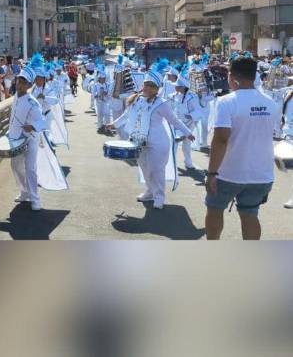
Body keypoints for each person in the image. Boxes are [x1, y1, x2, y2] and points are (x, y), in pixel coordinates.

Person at [204, 57, 279, 240]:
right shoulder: (271, 103)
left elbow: (221, 139)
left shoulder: (227, 101)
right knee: (250, 215)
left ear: (232, 77)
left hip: (229, 174)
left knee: (215, 209)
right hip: (261, 174)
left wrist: (212, 173)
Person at [112, 68, 194, 210]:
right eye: (146, 85)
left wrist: (187, 132)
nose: (148, 88)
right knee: (145, 168)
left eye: (152, 86)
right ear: (143, 85)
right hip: (139, 140)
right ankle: (150, 192)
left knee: (156, 170)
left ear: (157, 89)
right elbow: (126, 115)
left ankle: (159, 196)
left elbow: (174, 120)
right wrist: (112, 124)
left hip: (158, 142)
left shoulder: (161, 103)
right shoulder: (136, 99)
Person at [8, 67, 49, 210]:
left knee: (30, 168)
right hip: (15, 139)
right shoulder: (15, 96)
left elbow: (44, 122)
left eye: (23, 82)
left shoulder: (33, 102)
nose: (19, 83)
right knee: (15, 166)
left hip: (30, 138)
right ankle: (24, 192)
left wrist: (31, 126)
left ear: (29, 85)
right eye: (18, 80)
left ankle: (35, 199)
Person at [173, 73, 201, 170]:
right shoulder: (176, 95)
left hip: (189, 123)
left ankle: (188, 162)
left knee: (186, 143)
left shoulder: (192, 97)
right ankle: (172, 162)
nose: (175, 87)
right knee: (175, 141)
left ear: (183, 87)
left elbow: (198, 110)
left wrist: (190, 116)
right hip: (178, 122)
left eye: (177, 86)